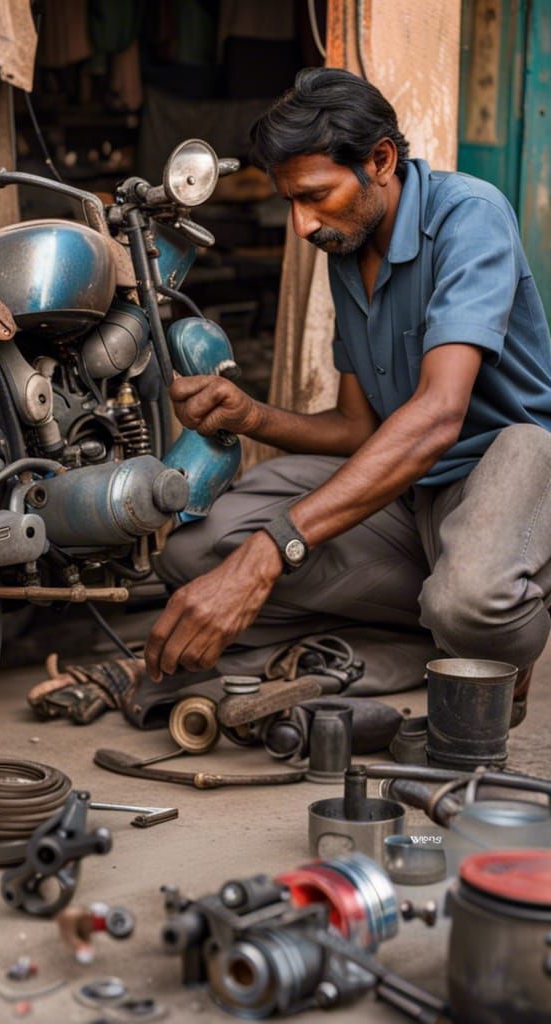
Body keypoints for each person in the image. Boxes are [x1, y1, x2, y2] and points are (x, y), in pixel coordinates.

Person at [146, 67, 551, 726]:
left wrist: (270, 552)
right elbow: (357, 426)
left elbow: (438, 416)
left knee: (468, 600)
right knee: (193, 554)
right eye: (291, 203)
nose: (303, 225)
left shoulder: (469, 216)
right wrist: (251, 415)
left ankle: (492, 623)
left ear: (381, 160)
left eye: (315, 196)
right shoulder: (347, 246)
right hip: (413, 490)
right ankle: (436, 629)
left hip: (508, 468)